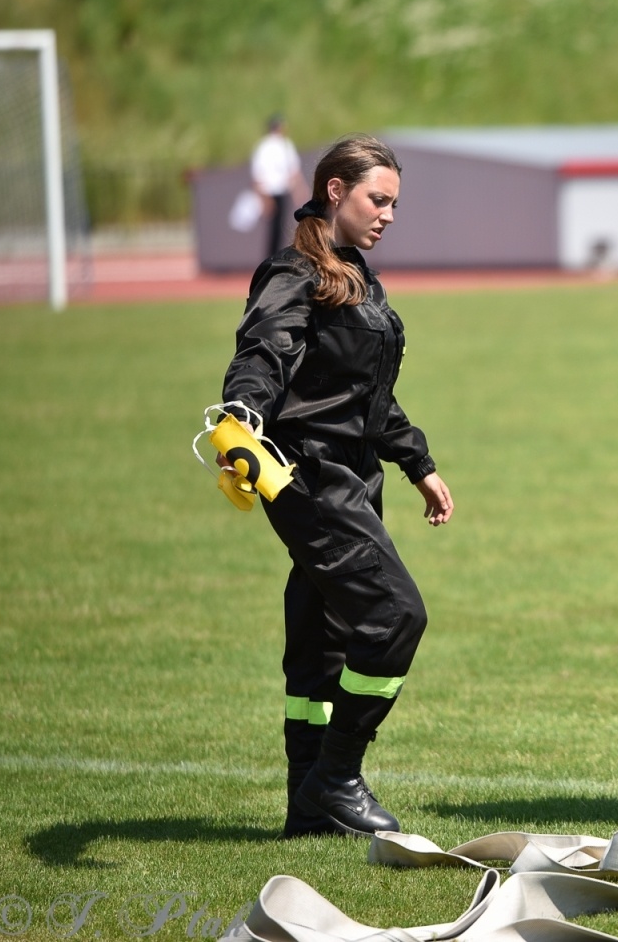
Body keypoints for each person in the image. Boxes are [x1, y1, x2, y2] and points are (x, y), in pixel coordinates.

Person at [220, 134, 454, 838]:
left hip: (355, 474)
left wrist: (417, 462)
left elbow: (367, 394)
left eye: (393, 203)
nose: (387, 215)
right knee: (394, 617)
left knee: (322, 639)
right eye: (376, 200)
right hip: (305, 475)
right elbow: (264, 351)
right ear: (334, 192)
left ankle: (306, 802)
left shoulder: (354, 271)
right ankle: (338, 777)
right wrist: (240, 416)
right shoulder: (293, 270)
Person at [252, 114, 308, 258]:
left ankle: (275, 255)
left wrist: (298, 190)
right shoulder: (268, 146)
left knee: (280, 225)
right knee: (275, 226)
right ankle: (272, 256)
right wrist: (263, 198)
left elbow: (293, 171)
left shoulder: (282, 145)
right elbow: (258, 174)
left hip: (280, 190)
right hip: (271, 191)